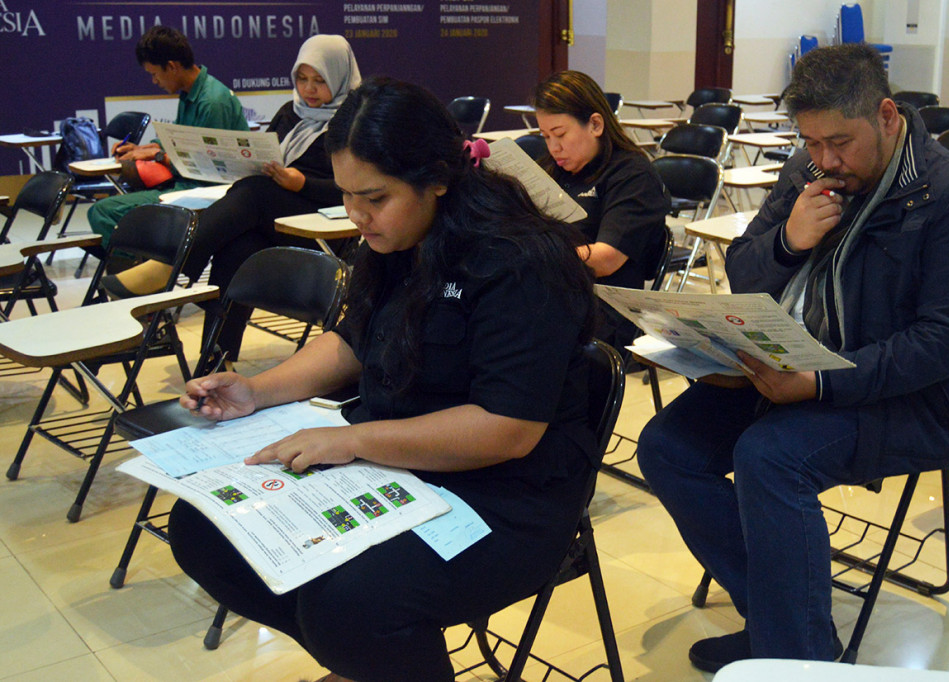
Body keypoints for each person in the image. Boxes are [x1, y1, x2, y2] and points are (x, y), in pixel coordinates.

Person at [166, 76, 598, 682]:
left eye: (374, 197)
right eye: (346, 195)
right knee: (204, 530)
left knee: (350, 601)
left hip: (506, 496)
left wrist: (350, 441)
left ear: (438, 180)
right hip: (398, 462)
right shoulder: (396, 239)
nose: (356, 215)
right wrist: (259, 390)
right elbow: (353, 342)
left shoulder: (518, 259)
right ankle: (370, 662)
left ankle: (365, 653)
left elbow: (507, 429)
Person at [636, 43, 949, 672]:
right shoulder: (807, 174)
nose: (826, 161)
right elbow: (746, 274)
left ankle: (799, 655)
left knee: (770, 456)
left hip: (924, 402)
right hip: (799, 366)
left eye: (840, 142)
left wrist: (820, 387)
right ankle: (778, 619)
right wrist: (787, 240)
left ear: (887, 116)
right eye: (811, 143)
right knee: (667, 448)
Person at [102, 34, 362, 360]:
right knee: (237, 248)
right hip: (277, 217)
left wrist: (302, 184)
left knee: (253, 193)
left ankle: (171, 264)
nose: (308, 88)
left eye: (319, 80)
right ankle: (218, 359)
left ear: (339, 77)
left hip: (323, 226)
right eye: (302, 78)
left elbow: (355, 190)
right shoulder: (290, 113)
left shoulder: (354, 122)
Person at [533, 70, 669, 360]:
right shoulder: (551, 169)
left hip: (602, 311)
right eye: (545, 137)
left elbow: (606, 259)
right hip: (548, 293)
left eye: (560, 134)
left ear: (595, 124)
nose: (553, 147)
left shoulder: (632, 174)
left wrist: (536, 254)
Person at [87, 25, 250, 248]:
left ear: (171, 67)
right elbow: (176, 141)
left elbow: (209, 170)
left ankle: (144, 273)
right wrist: (142, 149)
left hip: (204, 191)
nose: (154, 81)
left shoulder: (212, 102)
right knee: (105, 211)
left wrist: (158, 157)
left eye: (154, 74)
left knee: (103, 212)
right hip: (186, 184)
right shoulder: (190, 93)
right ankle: (144, 264)